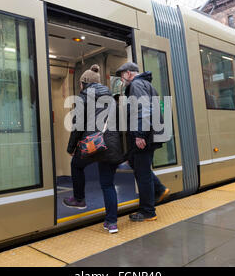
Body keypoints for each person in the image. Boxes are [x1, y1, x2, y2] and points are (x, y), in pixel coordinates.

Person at [64, 64, 124, 233]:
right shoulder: (111, 98)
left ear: (84, 82)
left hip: (92, 144)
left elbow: (78, 126)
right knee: (107, 184)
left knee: (76, 165)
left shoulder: (84, 97)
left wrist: (71, 148)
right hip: (110, 145)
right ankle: (112, 223)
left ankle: (79, 199)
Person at [116, 62, 170, 222]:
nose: (122, 80)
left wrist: (139, 134)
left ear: (128, 73)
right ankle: (159, 189)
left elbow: (142, 109)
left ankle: (148, 211)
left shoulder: (136, 84)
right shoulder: (146, 84)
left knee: (142, 173)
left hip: (144, 135)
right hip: (150, 133)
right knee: (134, 161)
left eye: (122, 76)